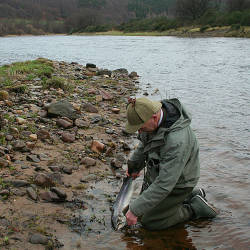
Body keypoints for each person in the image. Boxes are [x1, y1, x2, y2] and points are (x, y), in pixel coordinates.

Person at [124, 97, 217, 230]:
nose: (139, 132)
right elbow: (144, 145)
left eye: (140, 128)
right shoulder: (151, 118)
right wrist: (134, 167)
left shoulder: (177, 141)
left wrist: (135, 210)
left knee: (150, 222)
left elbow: (164, 184)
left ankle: (194, 208)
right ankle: (191, 195)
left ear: (154, 118)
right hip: (160, 175)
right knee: (138, 212)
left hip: (179, 183)